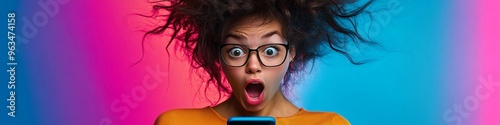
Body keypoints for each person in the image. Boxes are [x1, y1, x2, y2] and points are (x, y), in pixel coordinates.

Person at [144, 0, 377, 124]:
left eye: (270, 50)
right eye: (236, 51)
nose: (253, 65)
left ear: (291, 52)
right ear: (219, 55)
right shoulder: (176, 123)